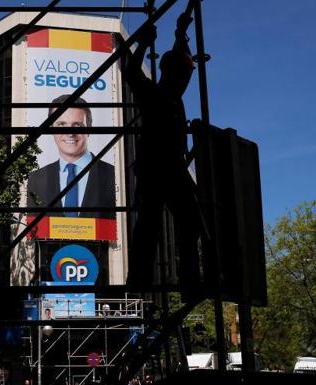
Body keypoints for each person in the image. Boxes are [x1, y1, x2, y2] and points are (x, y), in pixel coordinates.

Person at [125, 10, 203, 295]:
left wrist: (180, 32)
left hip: (172, 169)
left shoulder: (172, 95)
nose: (187, 80)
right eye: (184, 75)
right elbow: (131, 72)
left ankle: (189, 279)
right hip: (157, 170)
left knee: (188, 221)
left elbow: (181, 56)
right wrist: (144, 44)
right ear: (173, 74)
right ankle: (141, 280)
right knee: (150, 226)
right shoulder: (155, 94)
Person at [27, 94, 116, 219]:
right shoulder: (36, 179)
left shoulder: (114, 175)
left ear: (89, 129)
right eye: (61, 124)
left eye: (77, 125)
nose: (70, 132)